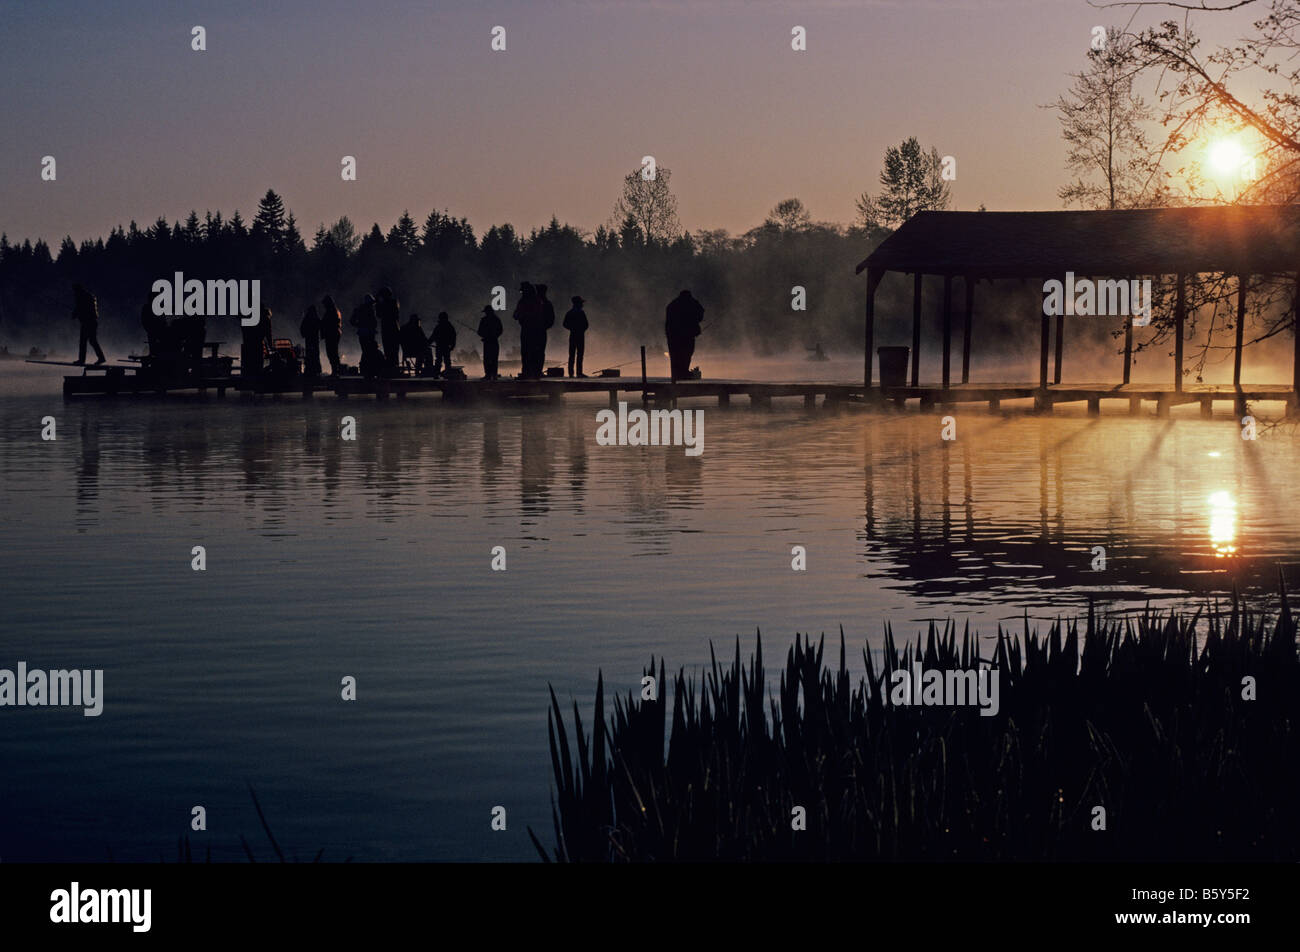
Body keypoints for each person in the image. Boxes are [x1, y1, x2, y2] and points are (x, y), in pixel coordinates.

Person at [665, 289, 703, 381]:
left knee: (675, 356)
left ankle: (676, 375)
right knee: (687, 354)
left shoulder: (672, 305)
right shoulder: (691, 303)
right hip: (687, 335)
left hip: (672, 336)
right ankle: (683, 373)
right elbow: (701, 313)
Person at [512, 282, 543, 378]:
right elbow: (515, 315)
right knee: (528, 351)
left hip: (530, 329)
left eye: (522, 291)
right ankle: (530, 372)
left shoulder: (528, 301)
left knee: (528, 351)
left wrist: (524, 315)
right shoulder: (535, 300)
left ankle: (529, 372)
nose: (522, 293)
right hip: (531, 329)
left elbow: (516, 315)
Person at [72, 284, 106, 365]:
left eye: (75, 290)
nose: (74, 293)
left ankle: (82, 360)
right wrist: (76, 313)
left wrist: (75, 314)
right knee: (92, 341)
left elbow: (81, 308)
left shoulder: (82, 297)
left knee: (84, 341)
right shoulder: (87, 296)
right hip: (91, 322)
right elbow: (82, 309)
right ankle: (101, 358)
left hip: (88, 322)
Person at [350, 294, 383, 379]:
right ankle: (369, 370)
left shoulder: (359, 310)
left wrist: (359, 325)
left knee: (366, 351)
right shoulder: (370, 310)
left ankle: (367, 370)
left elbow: (352, 321)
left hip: (362, 333)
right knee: (369, 351)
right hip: (369, 333)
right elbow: (374, 323)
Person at [242, 306, 273, 379]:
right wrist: (270, 345)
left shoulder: (253, 317)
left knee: (250, 360)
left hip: (249, 341)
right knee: (258, 359)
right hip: (258, 342)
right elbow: (268, 334)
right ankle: (258, 376)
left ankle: (250, 375)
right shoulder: (266, 319)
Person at [376, 287, 401, 370]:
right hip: (392, 329)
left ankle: (392, 367)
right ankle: (393, 367)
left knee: (390, 349)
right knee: (391, 349)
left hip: (389, 329)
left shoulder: (390, 303)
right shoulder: (393, 302)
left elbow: (379, 314)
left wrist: (378, 303)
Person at [563, 295, 588, 377]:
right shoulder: (581, 312)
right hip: (580, 335)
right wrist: (581, 329)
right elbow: (586, 324)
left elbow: (565, 324)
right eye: (581, 303)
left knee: (572, 355)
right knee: (579, 354)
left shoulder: (570, 313)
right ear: (578, 303)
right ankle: (579, 373)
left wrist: (572, 328)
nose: (582, 304)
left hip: (573, 335)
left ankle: (571, 373)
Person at [476, 305, 503, 380]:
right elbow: (500, 330)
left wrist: (484, 335)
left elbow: (479, 331)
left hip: (487, 342)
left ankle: (488, 375)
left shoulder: (484, 320)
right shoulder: (496, 319)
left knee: (487, 359)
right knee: (494, 359)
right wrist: (494, 336)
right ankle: (494, 375)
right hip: (494, 341)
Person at [536, 284, 556, 375]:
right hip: (540, 330)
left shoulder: (535, 302)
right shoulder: (547, 303)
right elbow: (551, 319)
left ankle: (535, 370)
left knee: (536, 351)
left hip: (536, 330)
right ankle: (537, 370)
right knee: (540, 351)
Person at [320, 295, 342, 375]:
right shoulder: (335, 310)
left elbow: (328, 323)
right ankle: (336, 370)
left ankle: (335, 371)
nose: (324, 306)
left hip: (331, 334)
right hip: (334, 333)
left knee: (332, 353)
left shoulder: (331, 311)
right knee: (333, 353)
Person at [429, 312, 457, 376]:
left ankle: (436, 373)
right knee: (447, 360)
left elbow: (433, 336)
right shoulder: (450, 326)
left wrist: (428, 343)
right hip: (446, 346)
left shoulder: (438, 327)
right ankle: (448, 373)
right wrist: (452, 345)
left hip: (439, 346)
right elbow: (453, 336)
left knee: (438, 360)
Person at [300, 304, 322, 378]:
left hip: (309, 339)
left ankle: (309, 370)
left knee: (310, 353)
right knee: (315, 354)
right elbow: (320, 326)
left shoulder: (307, 318)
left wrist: (304, 334)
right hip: (314, 339)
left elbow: (302, 328)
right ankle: (316, 370)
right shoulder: (316, 317)